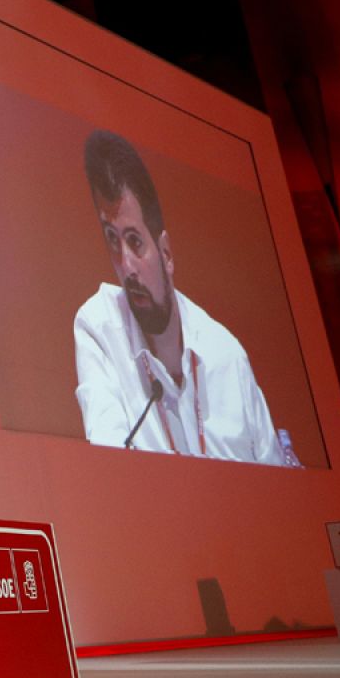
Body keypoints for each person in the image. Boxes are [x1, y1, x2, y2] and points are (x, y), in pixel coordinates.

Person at [73, 130, 285, 464]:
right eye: (112, 239)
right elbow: (112, 467)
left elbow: (278, 481)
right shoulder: (99, 328)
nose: (126, 266)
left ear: (166, 254)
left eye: (135, 241)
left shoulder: (227, 357)